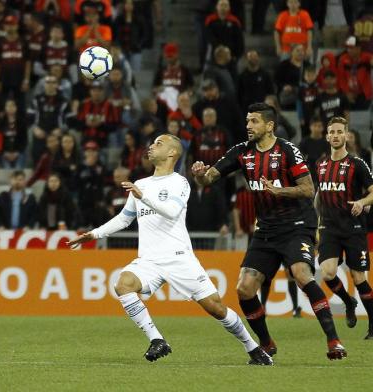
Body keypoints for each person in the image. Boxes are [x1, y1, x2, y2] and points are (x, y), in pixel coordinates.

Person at [67, 133, 272, 366]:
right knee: (122, 285)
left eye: (158, 143)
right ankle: (157, 340)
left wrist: (143, 197)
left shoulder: (179, 182)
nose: (151, 146)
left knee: (216, 308)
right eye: (152, 142)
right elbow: (124, 219)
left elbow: (172, 211)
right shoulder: (141, 184)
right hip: (149, 260)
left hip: (178, 258)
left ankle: (253, 348)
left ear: (172, 153)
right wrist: (94, 234)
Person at [191, 102, 346, 360]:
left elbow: (308, 189)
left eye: (254, 121)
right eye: (248, 121)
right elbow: (209, 178)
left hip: (296, 225)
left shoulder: (288, 150)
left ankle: (334, 341)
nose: (248, 126)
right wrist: (199, 175)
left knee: (301, 274)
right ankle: (266, 343)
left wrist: (279, 190)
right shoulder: (242, 152)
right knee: (244, 289)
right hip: (266, 229)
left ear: (269, 125)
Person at [315, 116, 373, 339]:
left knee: (359, 278)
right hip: (329, 227)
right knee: (328, 273)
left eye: (340, 132)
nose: (336, 135)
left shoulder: (357, 164)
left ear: (346, 135)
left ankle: (372, 324)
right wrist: (316, 223)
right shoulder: (320, 165)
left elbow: (371, 192)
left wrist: (362, 202)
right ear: (327, 136)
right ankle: (348, 301)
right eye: (332, 132)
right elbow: (319, 196)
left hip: (354, 228)